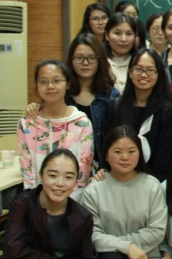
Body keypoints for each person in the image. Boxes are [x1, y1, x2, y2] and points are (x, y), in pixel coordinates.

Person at [82, 126, 168, 259]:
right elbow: (92, 235)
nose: (125, 157)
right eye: (117, 151)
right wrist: (126, 247)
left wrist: (132, 248)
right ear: (106, 155)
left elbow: (157, 231)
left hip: (147, 258)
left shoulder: (152, 185)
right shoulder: (94, 189)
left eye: (131, 151)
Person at [3, 149, 98, 259]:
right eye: (53, 175)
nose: (60, 183)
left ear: (76, 181)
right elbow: (14, 250)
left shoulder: (82, 216)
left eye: (68, 177)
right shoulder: (22, 204)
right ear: (41, 176)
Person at [25, 34, 118, 172]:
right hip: (65, 169)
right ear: (71, 59)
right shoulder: (61, 93)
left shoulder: (111, 96)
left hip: (102, 169)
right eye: (79, 57)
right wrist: (34, 107)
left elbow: (117, 138)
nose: (85, 63)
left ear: (100, 60)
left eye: (91, 57)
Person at [104, 48, 172, 182]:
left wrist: (151, 185)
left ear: (159, 74)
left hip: (153, 182)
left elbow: (164, 158)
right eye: (138, 69)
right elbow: (106, 145)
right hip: (117, 178)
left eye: (150, 70)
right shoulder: (114, 107)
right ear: (130, 73)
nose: (143, 75)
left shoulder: (167, 112)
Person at [17, 60, 94, 196]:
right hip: (37, 198)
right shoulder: (27, 124)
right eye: (43, 82)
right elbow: (27, 172)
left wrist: (69, 204)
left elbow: (83, 172)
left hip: (73, 198)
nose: (50, 86)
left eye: (56, 81)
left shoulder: (81, 123)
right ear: (36, 86)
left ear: (68, 84)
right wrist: (33, 202)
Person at [103, 13, 138, 94]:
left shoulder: (139, 62)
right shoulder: (99, 62)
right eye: (117, 33)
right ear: (107, 35)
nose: (123, 39)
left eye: (129, 34)